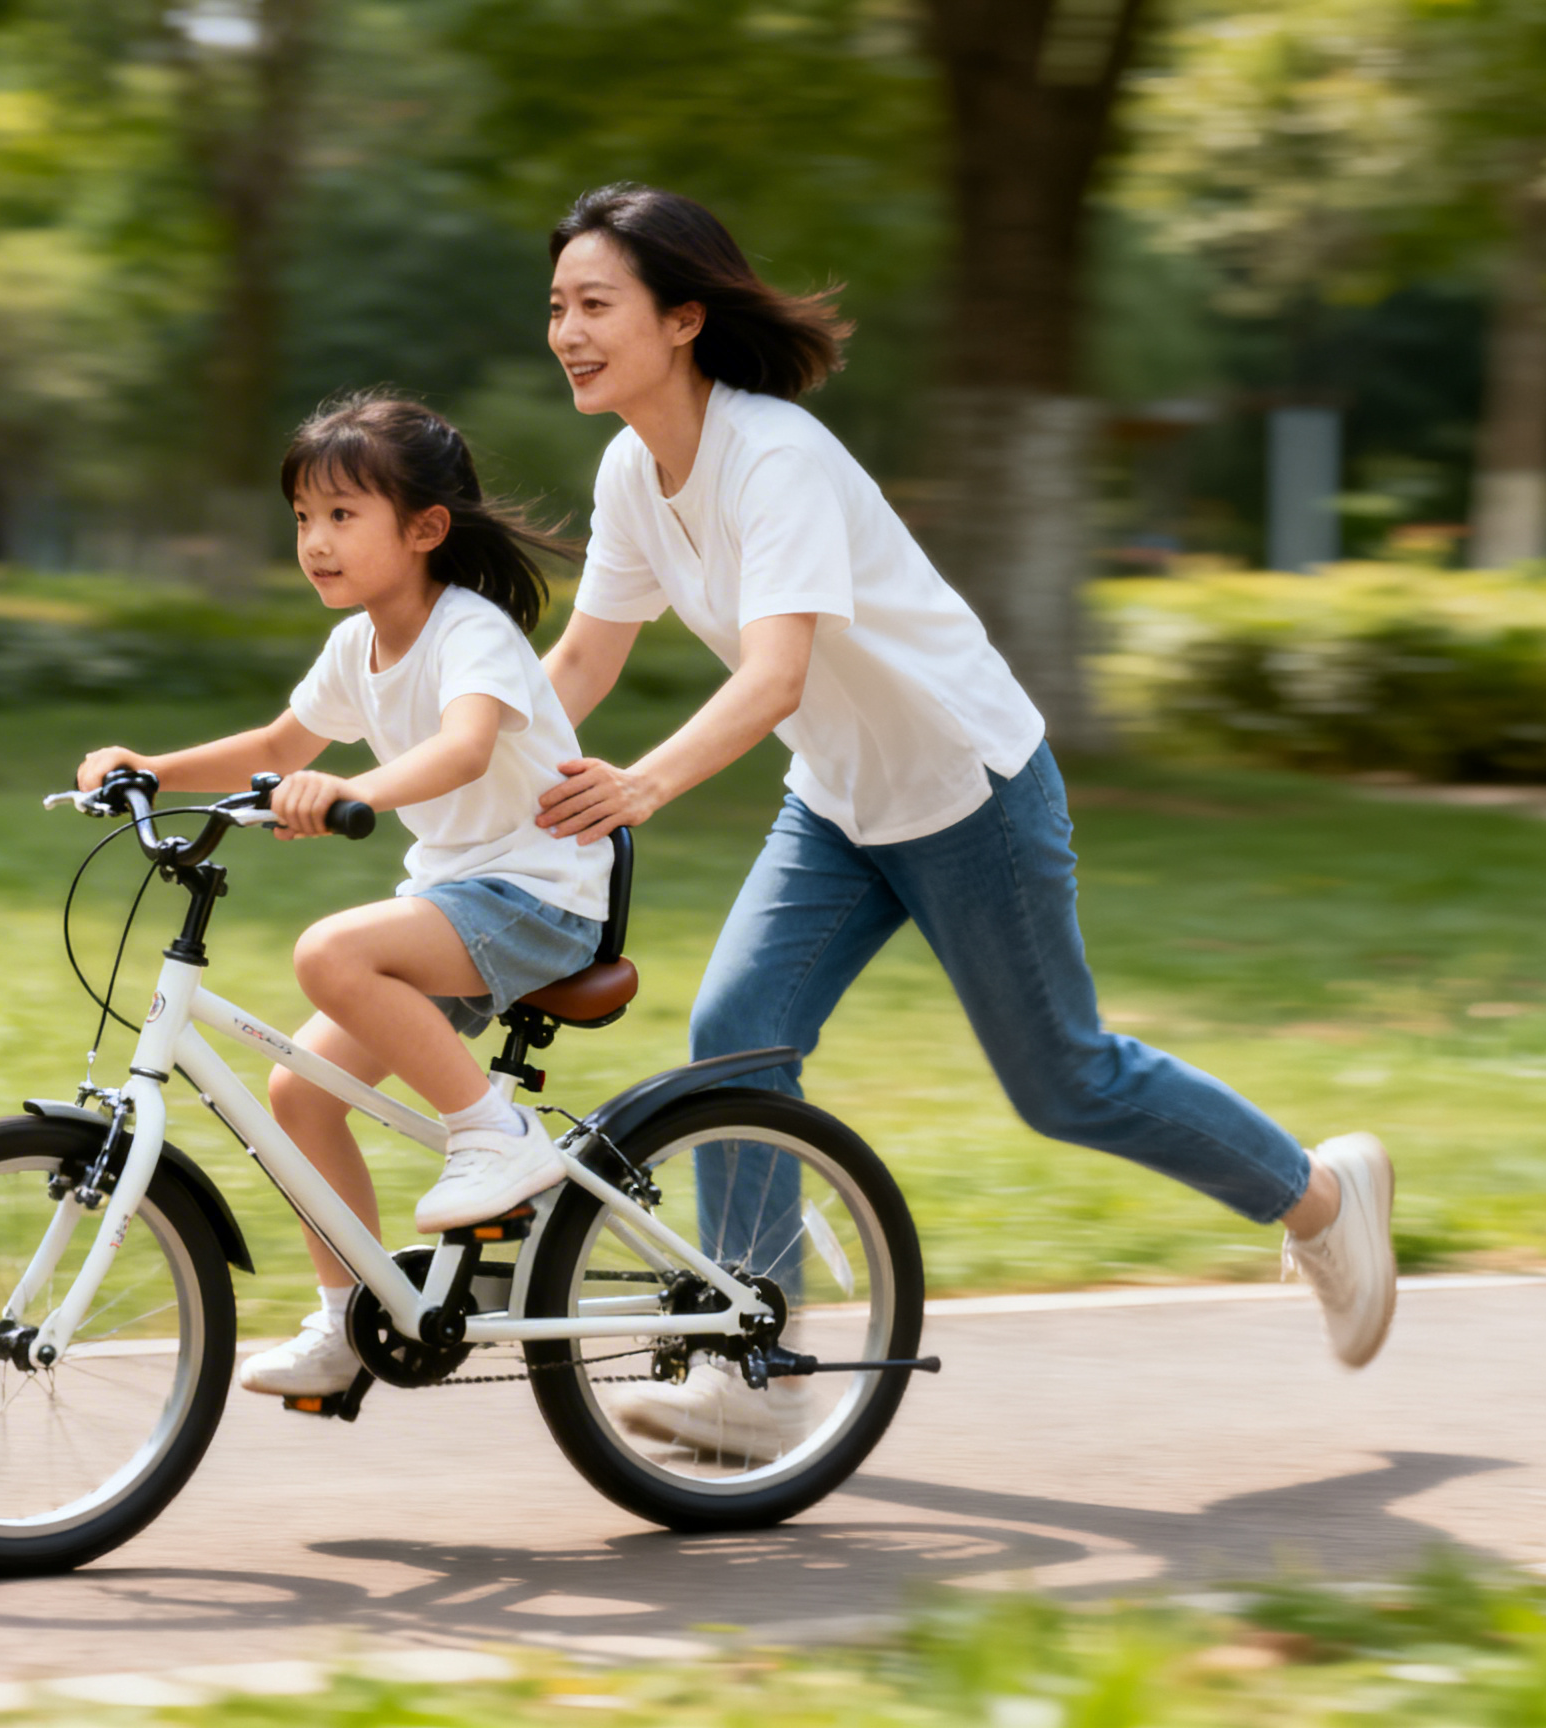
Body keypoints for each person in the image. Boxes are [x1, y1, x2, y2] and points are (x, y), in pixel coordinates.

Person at [527, 183, 1398, 1453]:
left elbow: (773, 675)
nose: (567, 330)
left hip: (966, 789)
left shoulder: (775, 458)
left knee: (1066, 1081)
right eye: (556, 306)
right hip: (839, 797)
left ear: (684, 320)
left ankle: (1320, 1199)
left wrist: (643, 786)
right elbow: (584, 667)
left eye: (596, 304)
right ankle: (755, 1374)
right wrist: (456, 752)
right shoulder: (631, 468)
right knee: (736, 1032)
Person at [76, 392, 613, 1399]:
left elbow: (462, 748)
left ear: (425, 530)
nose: (314, 542)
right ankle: (347, 1322)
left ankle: (497, 1137)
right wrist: (151, 765)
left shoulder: (471, 632)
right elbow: (282, 749)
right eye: (302, 520)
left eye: (340, 516)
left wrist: (353, 790)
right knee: (297, 1097)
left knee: (330, 952)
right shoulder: (356, 645)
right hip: (460, 898)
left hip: (542, 895)